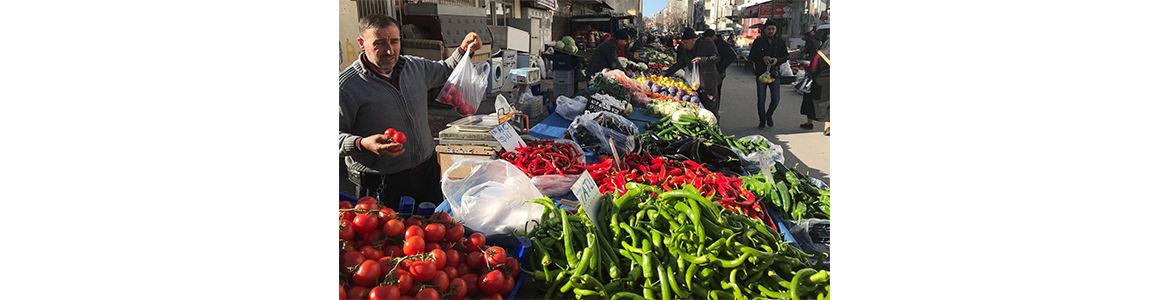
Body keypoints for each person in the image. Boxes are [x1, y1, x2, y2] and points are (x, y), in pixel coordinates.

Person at [339, 14, 483, 207]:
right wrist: (363, 143)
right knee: (392, 236)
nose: (389, 50)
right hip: (382, 182)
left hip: (426, 170)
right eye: (379, 43)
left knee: (434, 229)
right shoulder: (346, 86)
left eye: (395, 41)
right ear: (361, 43)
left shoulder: (414, 66)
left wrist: (464, 50)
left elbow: (446, 70)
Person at [664, 28, 722, 119]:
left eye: (686, 42)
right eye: (684, 43)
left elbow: (716, 58)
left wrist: (702, 60)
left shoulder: (707, 44)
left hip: (708, 83)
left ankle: (716, 128)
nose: (685, 45)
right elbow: (680, 63)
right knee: (698, 110)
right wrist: (666, 73)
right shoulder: (686, 50)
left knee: (710, 111)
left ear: (693, 39)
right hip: (695, 85)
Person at [747, 19, 788, 129]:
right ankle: (762, 120)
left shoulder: (780, 42)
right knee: (761, 99)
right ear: (764, 30)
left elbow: (785, 56)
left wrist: (777, 60)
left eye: (773, 29)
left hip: (774, 73)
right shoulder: (758, 41)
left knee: (776, 98)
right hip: (761, 73)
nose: (771, 31)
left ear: (776, 30)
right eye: (769, 29)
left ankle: (768, 115)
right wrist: (762, 58)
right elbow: (751, 57)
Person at [703, 30, 737, 108]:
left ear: (713, 37)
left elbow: (732, 56)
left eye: (708, 39)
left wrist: (720, 67)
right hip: (709, 72)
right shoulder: (710, 44)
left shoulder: (722, 44)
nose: (707, 41)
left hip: (719, 72)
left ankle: (716, 110)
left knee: (716, 93)